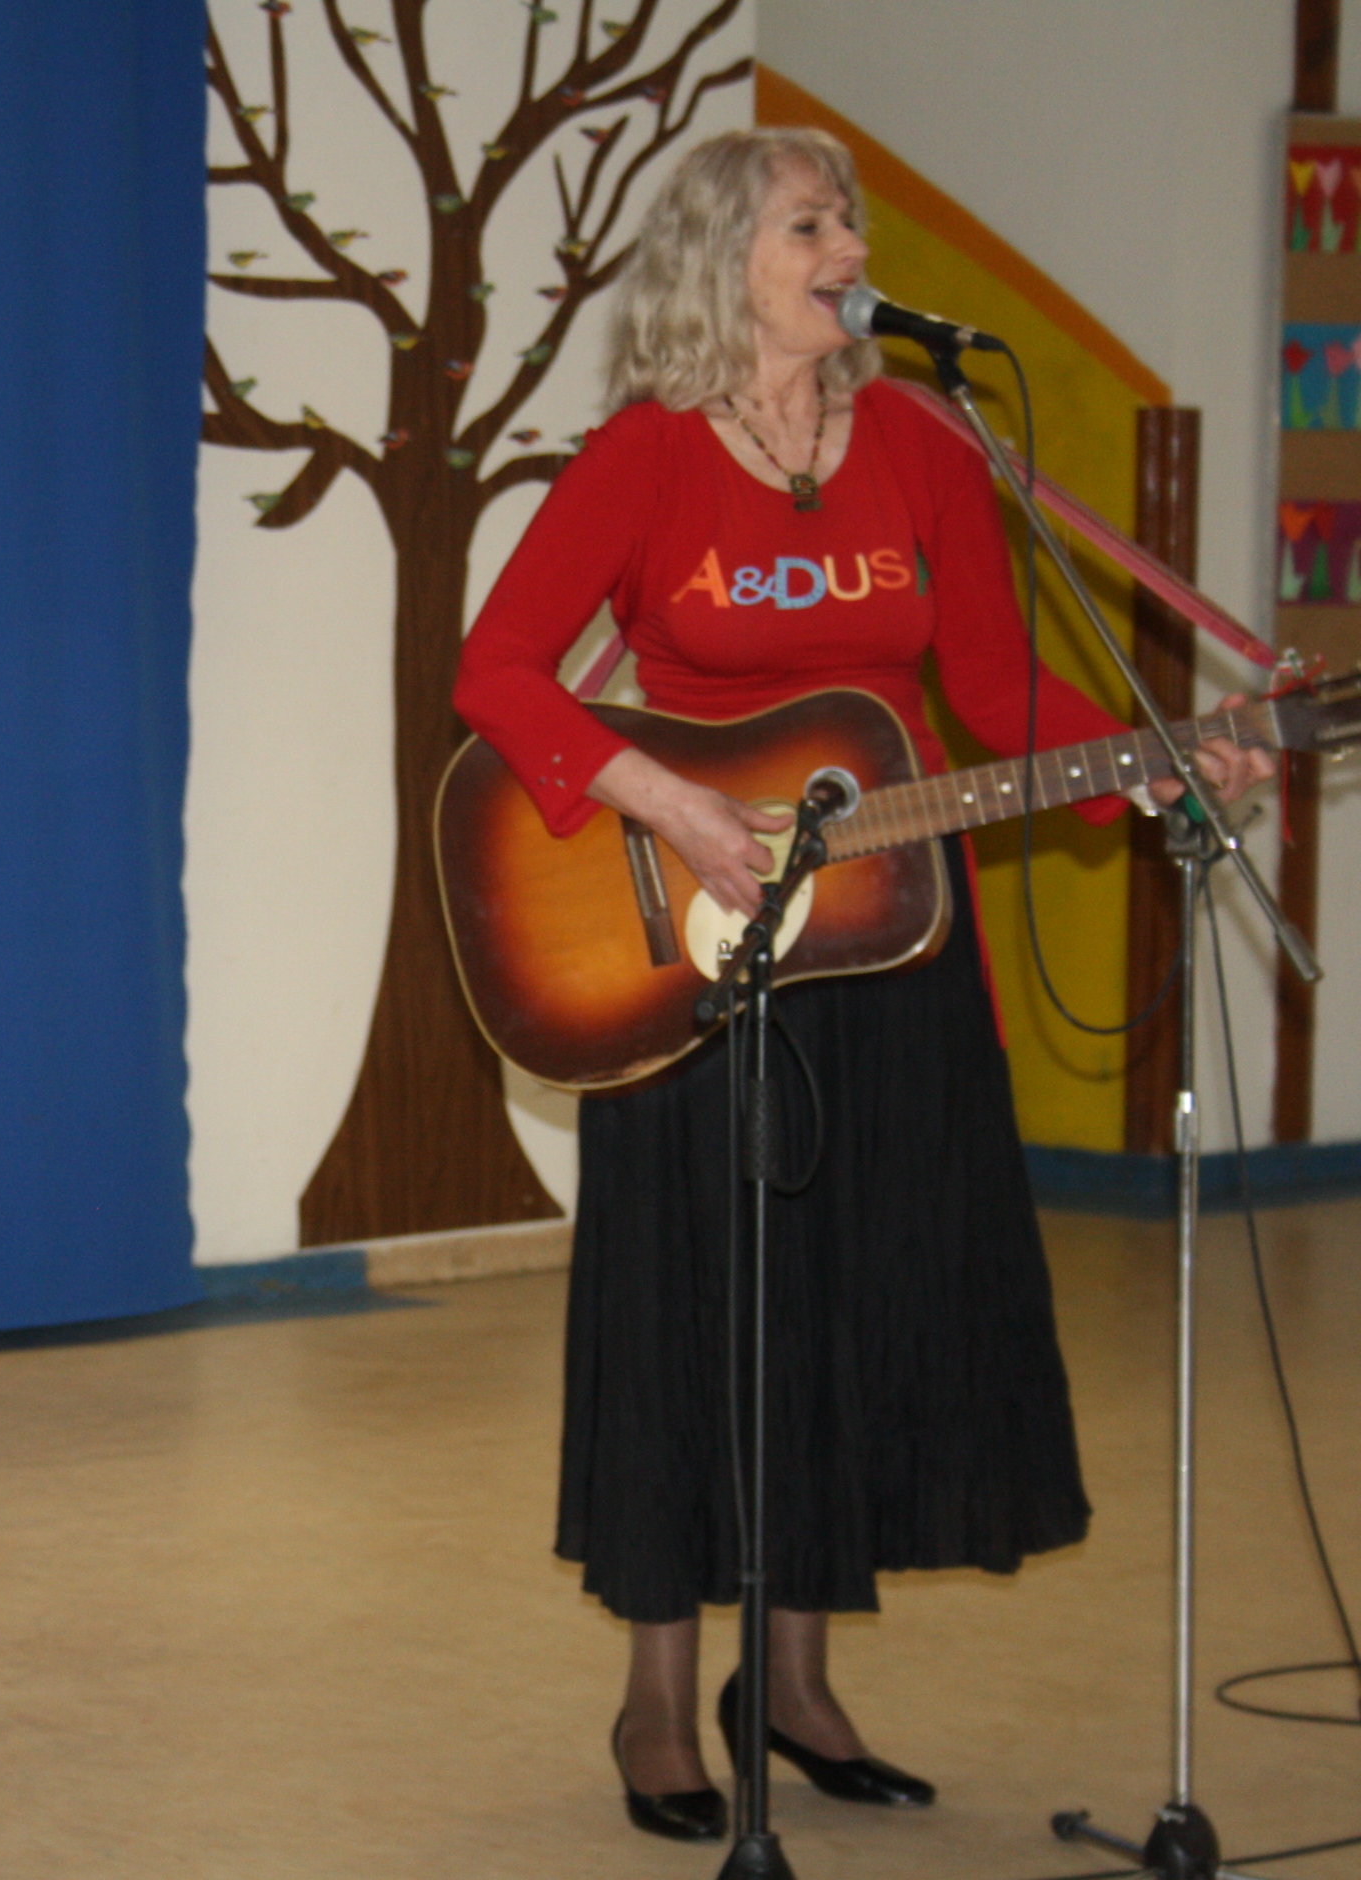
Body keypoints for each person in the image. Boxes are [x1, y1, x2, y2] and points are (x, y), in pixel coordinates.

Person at [451, 127, 1272, 1843]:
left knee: (851, 1306)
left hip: (896, 946)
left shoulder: (921, 443)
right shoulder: (647, 456)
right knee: (695, 1317)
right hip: (693, 956)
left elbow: (997, 681)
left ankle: (797, 1683)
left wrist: (1161, 759)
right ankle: (658, 1698)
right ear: (724, 263)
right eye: (809, 224)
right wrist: (671, 803)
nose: (848, 248)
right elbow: (499, 671)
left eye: (851, 220)